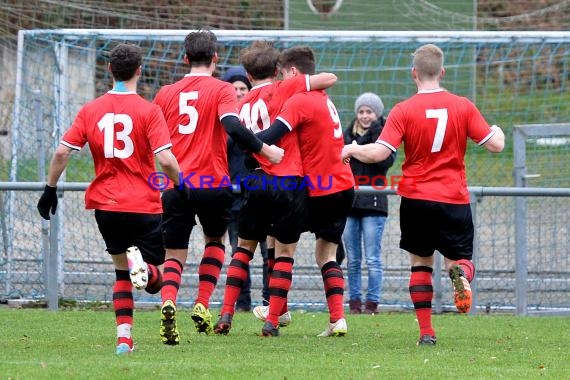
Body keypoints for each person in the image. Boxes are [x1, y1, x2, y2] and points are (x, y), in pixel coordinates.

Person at [341, 43, 505, 345]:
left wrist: (352, 148)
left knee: (420, 264)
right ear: (441, 72)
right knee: (459, 260)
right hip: (453, 196)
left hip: (416, 198)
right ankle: (462, 274)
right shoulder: (463, 105)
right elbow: (496, 145)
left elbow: (379, 152)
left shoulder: (404, 109)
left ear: (413, 73)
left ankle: (427, 333)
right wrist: (497, 129)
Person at [36, 43, 182, 355]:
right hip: (142, 204)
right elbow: (167, 160)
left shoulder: (91, 110)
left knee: (121, 271)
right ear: (139, 71)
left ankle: (124, 340)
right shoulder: (149, 110)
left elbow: (62, 151)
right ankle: (147, 271)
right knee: (156, 277)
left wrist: (49, 190)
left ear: (109, 71)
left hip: (105, 205)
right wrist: (177, 184)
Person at [152, 29, 283, 344]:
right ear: (215, 58)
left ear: (185, 58)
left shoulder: (165, 93)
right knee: (215, 241)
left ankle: (168, 298)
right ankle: (201, 302)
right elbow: (232, 126)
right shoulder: (222, 89)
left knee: (174, 253)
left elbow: (156, 144)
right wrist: (264, 150)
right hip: (212, 181)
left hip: (175, 183)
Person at [214, 40, 338, 335]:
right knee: (283, 253)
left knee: (243, 249)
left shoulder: (240, 104)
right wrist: (296, 79)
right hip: (288, 181)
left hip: (254, 181)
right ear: (277, 69)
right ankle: (271, 321)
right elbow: (328, 78)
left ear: (247, 73)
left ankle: (226, 315)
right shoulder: (286, 88)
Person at [254, 46, 355, 337]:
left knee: (284, 248)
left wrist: (243, 140)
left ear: (294, 73)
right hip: (343, 185)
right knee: (327, 255)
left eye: (283, 75)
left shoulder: (299, 100)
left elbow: (271, 136)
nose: (281, 81)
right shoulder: (325, 99)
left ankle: (273, 319)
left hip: (317, 187)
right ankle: (337, 319)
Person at [342, 92, 396, 315]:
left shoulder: (384, 134)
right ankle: (354, 303)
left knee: (373, 258)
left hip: (373, 204)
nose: (365, 116)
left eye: (369, 112)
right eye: (361, 111)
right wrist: (362, 152)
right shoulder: (346, 135)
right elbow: (341, 159)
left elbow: (383, 159)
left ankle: (372, 303)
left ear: (378, 113)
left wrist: (355, 151)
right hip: (349, 203)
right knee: (353, 259)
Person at [223, 65, 265, 312]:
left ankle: (270, 300)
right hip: (234, 198)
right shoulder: (223, 120)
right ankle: (243, 301)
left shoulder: (258, 117)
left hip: (260, 193)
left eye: (242, 88)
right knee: (239, 251)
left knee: (268, 253)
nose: (239, 93)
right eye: (234, 88)